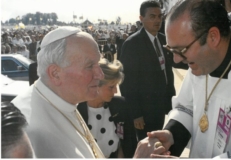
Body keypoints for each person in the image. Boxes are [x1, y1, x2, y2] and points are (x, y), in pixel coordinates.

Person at [135, 0, 231, 158]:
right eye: (171, 49)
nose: (176, 60)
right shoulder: (198, 60)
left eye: (180, 50)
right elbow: (185, 107)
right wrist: (171, 134)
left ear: (213, 37)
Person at [12, 26, 106, 158]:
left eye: (99, 64)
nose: (100, 75)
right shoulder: (27, 131)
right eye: (90, 66)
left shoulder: (64, 101)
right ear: (55, 73)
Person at [120, 0, 187, 143]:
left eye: (159, 16)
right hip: (144, 109)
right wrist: (136, 113)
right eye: (152, 16)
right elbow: (127, 83)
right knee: (147, 145)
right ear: (141, 19)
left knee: (158, 141)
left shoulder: (163, 40)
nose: (157, 20)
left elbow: (173, 64)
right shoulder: (132, 44)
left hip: (161, 104)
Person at [77, 58, 137, 158]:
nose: (115, 91)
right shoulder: (77, 110)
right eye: (111, 87)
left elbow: (128, 141)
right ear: (96, 85)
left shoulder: (121, 105)